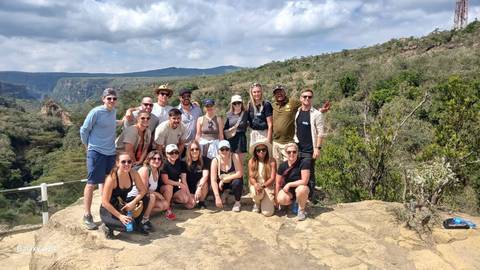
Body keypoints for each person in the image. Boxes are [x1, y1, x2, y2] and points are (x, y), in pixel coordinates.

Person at [80, 88, 119, 230]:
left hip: (110, 152)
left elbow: (112, 122)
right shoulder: (96, 112)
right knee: (91, 183)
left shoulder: (113, 112)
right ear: (103, 99)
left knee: (108, 182)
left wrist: (126, 120)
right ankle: (87, 214)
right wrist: (87, 146)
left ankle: (105, 211)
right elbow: (84, 130)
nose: (112, 101)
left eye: (114, 99)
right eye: (109, 98)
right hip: (96, 151)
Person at [271, 85, 330, 162]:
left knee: (289, 168)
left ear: (285, 92)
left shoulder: (292, 102)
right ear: (274, 95)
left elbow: (306, 105)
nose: (279, 94)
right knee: (277, 169)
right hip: (276, 143)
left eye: (281, 92)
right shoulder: (272, 106)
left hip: (289, 143)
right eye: (277, 93)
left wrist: (320, 110)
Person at [100, 152, 149, 238]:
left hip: (122, 205)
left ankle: (138, 223)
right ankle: (108, 225)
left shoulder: (133, 173)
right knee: (130, 226)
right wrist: (120, 216)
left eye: (129, 162)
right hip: (109, 210)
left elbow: (143, 190)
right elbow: (104, 202)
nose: (127, 164)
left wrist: (132, 203)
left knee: (146, 198)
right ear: (117, 163)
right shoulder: (112, 178)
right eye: (123, 162)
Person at [127, 150, 169, 231]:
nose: (157, 161)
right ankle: (144, 220)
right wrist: (158, 194)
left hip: (144, 198)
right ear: (149, 160)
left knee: (164, 205)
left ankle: (138, 216)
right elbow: (144, 190)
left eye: (159, 159)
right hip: (134, 198)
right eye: (154, 158)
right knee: (152, 197)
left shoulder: (157, 171)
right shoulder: (145, 170)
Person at [294, 89, 325, 195]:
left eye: (309, 97)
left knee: (309, 174)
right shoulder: (297, 112)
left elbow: (320, 133)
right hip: (297, 149)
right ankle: (300, 198)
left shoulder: (316, 114)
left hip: (310, 150)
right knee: (298, 173)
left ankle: (310, 197)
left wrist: (317, 148)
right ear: (300, 98)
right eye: (305, 96)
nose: (307, 98)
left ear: (312, 99)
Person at [275, 143, 311, 221]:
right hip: (289, 192)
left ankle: (301, 210)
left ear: (297, 153)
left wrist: (289, 184)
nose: (292, 154)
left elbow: (304, 181)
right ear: (286, 153)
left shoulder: (303, 163)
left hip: (301, 188)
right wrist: (277, 200)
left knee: (301, 189)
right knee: (281, 198)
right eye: (289, 152)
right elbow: (277, 183)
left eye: (294, 152)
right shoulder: (282, 166)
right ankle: (293, 203)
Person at [210, 140, 244, 212]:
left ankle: (237, 202)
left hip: (232, 182)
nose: (224, 151)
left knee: (237, 182)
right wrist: (217, 197)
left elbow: (239, 173)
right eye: (222, 149)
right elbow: (213, 180)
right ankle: (224, 194)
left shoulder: (234, 156)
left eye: (227, 149)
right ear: (218, 150)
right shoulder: (215, 161)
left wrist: (224, 179)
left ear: (230, 150)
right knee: (213, 188)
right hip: (221, 185)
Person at [160, 144, 196, 210]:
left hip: (175, 188)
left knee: (186, 200)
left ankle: (172, 200)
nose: (174, 154)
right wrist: (179, 184)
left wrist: (189, 198)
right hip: (164, 187)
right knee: (169, 187)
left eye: (176, 152)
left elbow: (184, 180)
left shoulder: (181, 163)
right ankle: (167, 207)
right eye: (171, 153)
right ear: (166, 154)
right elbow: (166, 181)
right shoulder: (164, 164)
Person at [248, 141, 276, 216]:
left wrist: (263, 186)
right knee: (255, 191)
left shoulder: (272, 161)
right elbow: (251, 177)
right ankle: (257, 203)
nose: (261, 152)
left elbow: (272, 178)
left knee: (267, 213)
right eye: (258, 150)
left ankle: (263, 201)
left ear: (267, 150)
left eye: (263, 149)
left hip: (267, 186)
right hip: (256, 185)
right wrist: (256, 184)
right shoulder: (252, 161)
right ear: (255, 152)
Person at [184, 141, 210, 209]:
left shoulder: (205, 160)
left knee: (204, 183)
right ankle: (194, 199)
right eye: (192, 149)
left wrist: (199, 188)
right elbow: (183, 180)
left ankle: (201, 202)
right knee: (190, 206)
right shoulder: (184, 161)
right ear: (189, 151)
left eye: (197, 149)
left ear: (199, 150)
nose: (194, 151)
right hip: (189, 188)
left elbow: (205, 176)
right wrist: (189, 195)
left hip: (200, 187)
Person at [223, 95, 248, 163]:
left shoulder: (246, 113)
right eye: (235, 103)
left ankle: (241, 173)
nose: (237, 105)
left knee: (240, 162)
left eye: (239, 103)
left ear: (241, 103)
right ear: (232, 105)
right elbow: (225, 128)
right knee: (230, 161)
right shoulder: (228, 114)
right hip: (231, 139)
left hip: (241, 139)